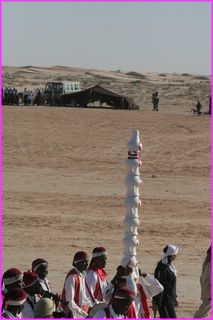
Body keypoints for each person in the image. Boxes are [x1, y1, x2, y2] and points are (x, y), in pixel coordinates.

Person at [61, 251, 93, 318]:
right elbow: (70, 303)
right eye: (85, 262)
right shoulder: (72, 277)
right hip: (70, 314)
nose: (87, 264)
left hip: (79, 312)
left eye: (87, 262)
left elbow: (83, 297)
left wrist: (92, 306)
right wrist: (85, 315)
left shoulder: (82, 275)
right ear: (77, 263)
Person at [152, 244, 178, 318]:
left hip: (170, 300)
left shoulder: (170, 267)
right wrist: (156, 302)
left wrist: (174, 298)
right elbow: (158, 285)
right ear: (172, 255)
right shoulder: (162, 268)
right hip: (163, 301)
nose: (176, 257)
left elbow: (172, 286)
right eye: (175, 255)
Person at [194, 245, 211, 318]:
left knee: (204, 311)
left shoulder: (208, 260)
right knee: (202, 313)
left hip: (207, 291)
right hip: (209, 292)